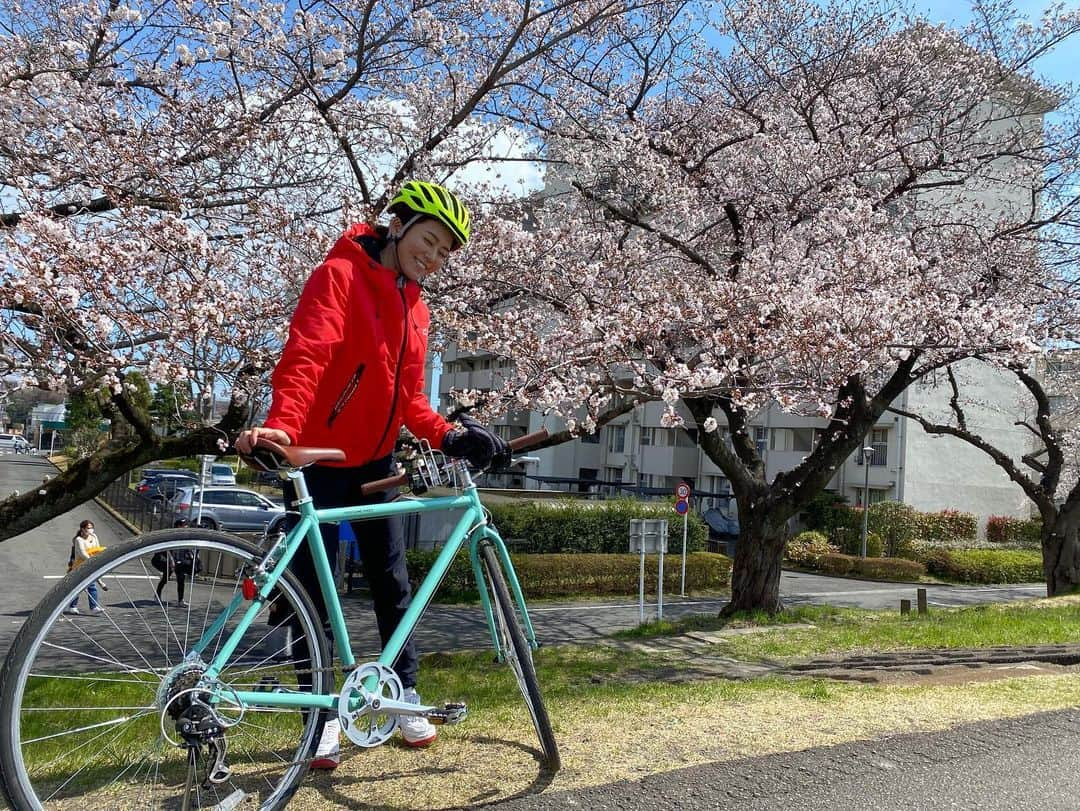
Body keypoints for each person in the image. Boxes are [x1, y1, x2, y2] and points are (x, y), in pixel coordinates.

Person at [236, 180, 511, 770]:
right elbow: (307, 353)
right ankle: (325, 715)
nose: (433, 257)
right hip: (318, 458)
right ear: (399, 225)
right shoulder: (339, 275)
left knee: (392, 582)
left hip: (377, 464)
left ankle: (403, 694)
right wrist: (283, 425)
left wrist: (448, 434)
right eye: (429, 241)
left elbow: (409, 396)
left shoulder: (418, 307)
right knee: (312, 596)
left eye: (444, 252)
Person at [66, 520, 105, 615]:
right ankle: (73, 607)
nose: (90, 530)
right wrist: (93, 561)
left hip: (91, 565)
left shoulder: (94, 537)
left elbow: (97, 548)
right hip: (80, 566)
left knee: (91, 587)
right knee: (78, 588)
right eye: (88, 528)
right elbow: (83, 554)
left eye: (92, 528)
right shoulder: (78, 540)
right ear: (82, 529)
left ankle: (93, 607)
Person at [152, 519, 192, 607]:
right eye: (183, 525)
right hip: (168, 561)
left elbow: (186, 549)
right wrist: (171, 561)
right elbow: (165, 549)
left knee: (181, 580)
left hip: (179, 560)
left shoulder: (185, 536)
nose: (186, 526)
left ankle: (181, 600)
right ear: (178, 526)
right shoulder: (171, 535)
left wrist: (190, 555)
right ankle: (157, 596)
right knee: (165, 579)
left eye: (186, 525)